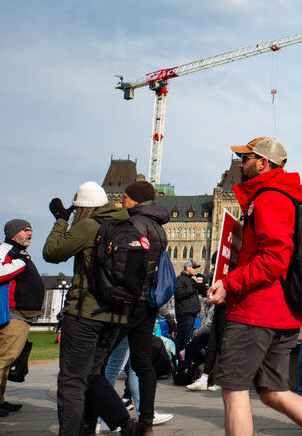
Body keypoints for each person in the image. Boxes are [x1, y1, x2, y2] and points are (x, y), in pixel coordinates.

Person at [205, 137, 302, 436]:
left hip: (258, 311)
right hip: (282, 313)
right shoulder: (286, 196)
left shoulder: (269, 197)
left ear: (263, 162)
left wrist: (229, 282)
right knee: (273, 391)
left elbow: (275, 258)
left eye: (246, 159)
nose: (240, 164)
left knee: (234, 389)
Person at [43, 182, 142, 435]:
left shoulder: (89, 226)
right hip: (116, 316)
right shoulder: (128, 225)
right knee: (93, 375)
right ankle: (125, 424)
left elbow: (51, 252)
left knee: (72, 381)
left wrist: (61, 221)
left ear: (83, 208)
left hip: (85, 315)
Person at [104, 181, 174, 429]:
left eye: (125, 197)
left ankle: (101, 417)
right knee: (142, 361)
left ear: (136, 199)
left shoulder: (134, 223)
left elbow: (127, 264)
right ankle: (146, 416)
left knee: (101, 359)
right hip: (148, 303)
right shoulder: (158, 226)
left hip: (130, 301)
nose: (121, 200)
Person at [0, 219, 45, 419]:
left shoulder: (16, 251)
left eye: (31, 230)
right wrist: (20, 263)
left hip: (19, 314)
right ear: (13, 233)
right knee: (3, 358)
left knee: (6, 358)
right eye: (25, 230)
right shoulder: (7, 249)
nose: (30, 233)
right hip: (13, 314)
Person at [174, 259, 204, 350]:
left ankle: (184, 360)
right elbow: (179, 294)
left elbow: (200, 292)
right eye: (194, 267)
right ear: (187, 267)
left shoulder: (191, 280)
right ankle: (178, 360)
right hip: (185, 313)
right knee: (182, 339)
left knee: (187, 339)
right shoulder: (179, 279)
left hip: (192, 313)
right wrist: (193, 288)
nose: (196, 270)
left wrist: (201, 285)